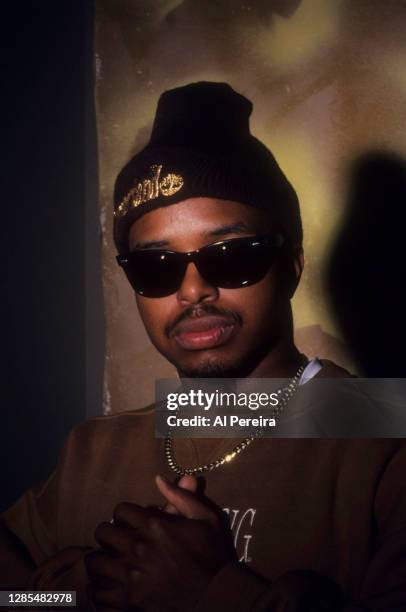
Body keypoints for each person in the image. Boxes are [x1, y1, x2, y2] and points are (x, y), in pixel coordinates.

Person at [1, 82, 406, 611]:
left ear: (292, 265)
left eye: (231, 256)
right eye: (156, 266)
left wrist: (215, 594)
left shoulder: (386, 444)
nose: (193, 291)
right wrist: (69, 593)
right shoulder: (92, 449)